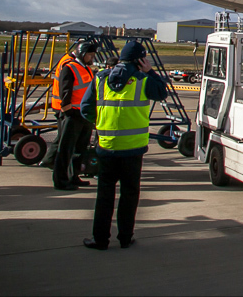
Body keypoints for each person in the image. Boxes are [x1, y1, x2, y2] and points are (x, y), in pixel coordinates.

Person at [80, 40, 168, 250]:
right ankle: (125, 237)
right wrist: (151, 71)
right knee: (129, 194)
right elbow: (163, 92)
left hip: (107, 145)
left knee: (105, 195)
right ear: (140, 60)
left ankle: (100, 239)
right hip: (133, 148)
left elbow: (85, 108)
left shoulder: (100, 78)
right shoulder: (142, 80)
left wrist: (101, 124)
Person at [41, 40, 98, 190]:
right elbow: (64, 93)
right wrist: (68, 112)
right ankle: (61, 180)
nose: (92, 58)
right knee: (66, 149)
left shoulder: (85, 68)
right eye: (90, 55)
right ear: (83, 54)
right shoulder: (70, 68)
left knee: (80, 148)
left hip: (84, 114)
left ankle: (74, 175)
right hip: (73, 114)